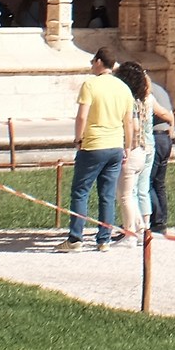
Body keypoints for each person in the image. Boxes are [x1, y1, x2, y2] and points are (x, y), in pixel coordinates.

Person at [63, 48, 137, 250]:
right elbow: (129, 121)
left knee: (80, 191)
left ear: (98, 62)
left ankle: (75, 238)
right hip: (115, 145)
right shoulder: (124, 88)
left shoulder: (90, 85)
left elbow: (82, 116)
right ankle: (104, 239)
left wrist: (78, 138)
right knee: (107, 195)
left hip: (94, 144)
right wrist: (127, 146)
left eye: (92, 61)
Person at [116, 60, 158, 238]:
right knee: (137, 191)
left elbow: (134, 126)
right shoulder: (143, 99)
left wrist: (127, 146)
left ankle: (132, 232)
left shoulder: (130, 101)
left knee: (126, 195)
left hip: (133, 150)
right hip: (143, 148)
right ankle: (141, 227)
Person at [146, 70, 175, 229]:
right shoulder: (159, 88)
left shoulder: (148, 92)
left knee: (148, 182)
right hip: (165, 137)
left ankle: (157, 220)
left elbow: (164, 113)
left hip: (156, 137)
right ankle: (161, 220)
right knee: (158, 183)